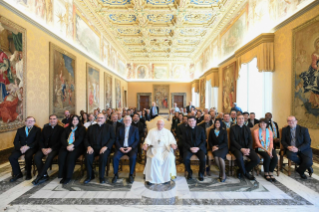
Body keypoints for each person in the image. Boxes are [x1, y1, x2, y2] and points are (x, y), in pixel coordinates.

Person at [142, 119, 177, 185]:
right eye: (158, 124)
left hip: (165, 149)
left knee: (169, 157)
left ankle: (166, 178)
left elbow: (172, 140)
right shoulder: (151, 131)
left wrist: (173, 144)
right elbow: (147, 140)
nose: (159, 126)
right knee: (153, 158)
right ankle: (151, 179)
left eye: (161, 124)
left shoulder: (167, 132)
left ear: (164, 125)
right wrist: (145, 144)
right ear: (156, 124)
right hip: (155, 149)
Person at [32, 114, 64, 185]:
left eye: (54, 119)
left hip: (55, 149)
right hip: (44, 148)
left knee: (49, 157)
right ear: (49, 120)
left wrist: (51, 149)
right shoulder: (45, 128)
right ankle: (45, 175)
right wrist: (43, 148)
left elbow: (60, 142)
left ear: (57, 120)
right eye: (51, 119)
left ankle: (39, 176)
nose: (52, 120)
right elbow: (40, 140)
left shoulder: (61, 129)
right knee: (36, 156)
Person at [84, 114, 115, 184]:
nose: (99, 119)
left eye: (101, 118)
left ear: (105, 119)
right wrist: (88, 146)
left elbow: (113, 138)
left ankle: (101, 177)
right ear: (96, 119)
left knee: (103, 157)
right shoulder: (91, 127)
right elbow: (86, 139)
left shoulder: (109, 127)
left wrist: (106, 147)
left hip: (104, 148)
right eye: (98, 118)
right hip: (92, 147)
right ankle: (90, 176)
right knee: (87, 157)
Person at [9, 116, 41, 182]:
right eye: (28, 120)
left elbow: (37, 141)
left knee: (28, 156)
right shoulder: (20, 130)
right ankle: (18, 173)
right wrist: (20, 147)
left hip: (31, 148)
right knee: (11, 157)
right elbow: (15, 141)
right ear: (25, 122)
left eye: (31, 121)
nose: (29, 122)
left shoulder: (37, 130)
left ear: (34, 122)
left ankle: (28, 173)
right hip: (21, 148)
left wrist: (28, 147)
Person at [230, 114, 260, 180]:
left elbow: (250, 140)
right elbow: (233, 141)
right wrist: (241, 149)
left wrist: (248, 148)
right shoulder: (232, 128)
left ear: (244, 120)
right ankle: (246, 174)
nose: (241, 120)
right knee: (239, 157)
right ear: (236, 120)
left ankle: (240, 171)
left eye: (242, 119)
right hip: (236, 148)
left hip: (247, 147)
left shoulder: (247, 128)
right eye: (239, 118)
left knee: (257, 159)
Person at [58, 115, 86, 185]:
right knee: (62, 156)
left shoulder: (82, 128)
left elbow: (80, 138)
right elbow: (63, 138)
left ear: (78, 121)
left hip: (77, 147)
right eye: (73, 119)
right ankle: (63, 175)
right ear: (71, 121)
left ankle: (68, 177)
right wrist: (67, 146)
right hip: (66, 146)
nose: (75, 121)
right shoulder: (67, 128)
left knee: (70, 157)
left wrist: (72, 145)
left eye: (76, 119)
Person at [112, 116, 139, 184]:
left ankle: (130, 175)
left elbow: (137, 140)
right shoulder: (119, 129)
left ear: (131, 121)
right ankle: (115, 175)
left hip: (131, 148)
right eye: (126, 120)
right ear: (123, 121)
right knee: (115, 157)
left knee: (133, 157)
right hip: (121, 147)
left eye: (128, 120)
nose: (127, 121)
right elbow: (116, 139)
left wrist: (131, 147)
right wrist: (120, 148)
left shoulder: (135, 129)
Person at [183, 116, 206, 181]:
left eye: (192, 121)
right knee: (185, 158)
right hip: (189, 148)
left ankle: (201, 173)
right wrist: (190, 148)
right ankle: (189, 172)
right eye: (189, 121)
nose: (191, 122)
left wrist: (198, 148)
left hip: (199, 148)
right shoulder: (185, 130)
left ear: (195, 121)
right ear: (188, 122)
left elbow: (204, 140)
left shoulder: (201, 129)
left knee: (203, 159)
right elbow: (183, 141)